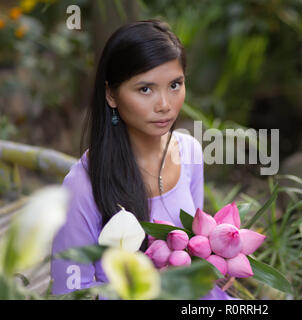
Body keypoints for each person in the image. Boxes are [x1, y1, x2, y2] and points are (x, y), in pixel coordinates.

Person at [50, 19, 237, 300]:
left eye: (175, 84)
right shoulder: (82, 186)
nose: (165, 104)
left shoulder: (189, 152)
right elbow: (71, 292)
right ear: (111, 95)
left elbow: (194, 243)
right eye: (145, 89)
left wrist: (214, 265)